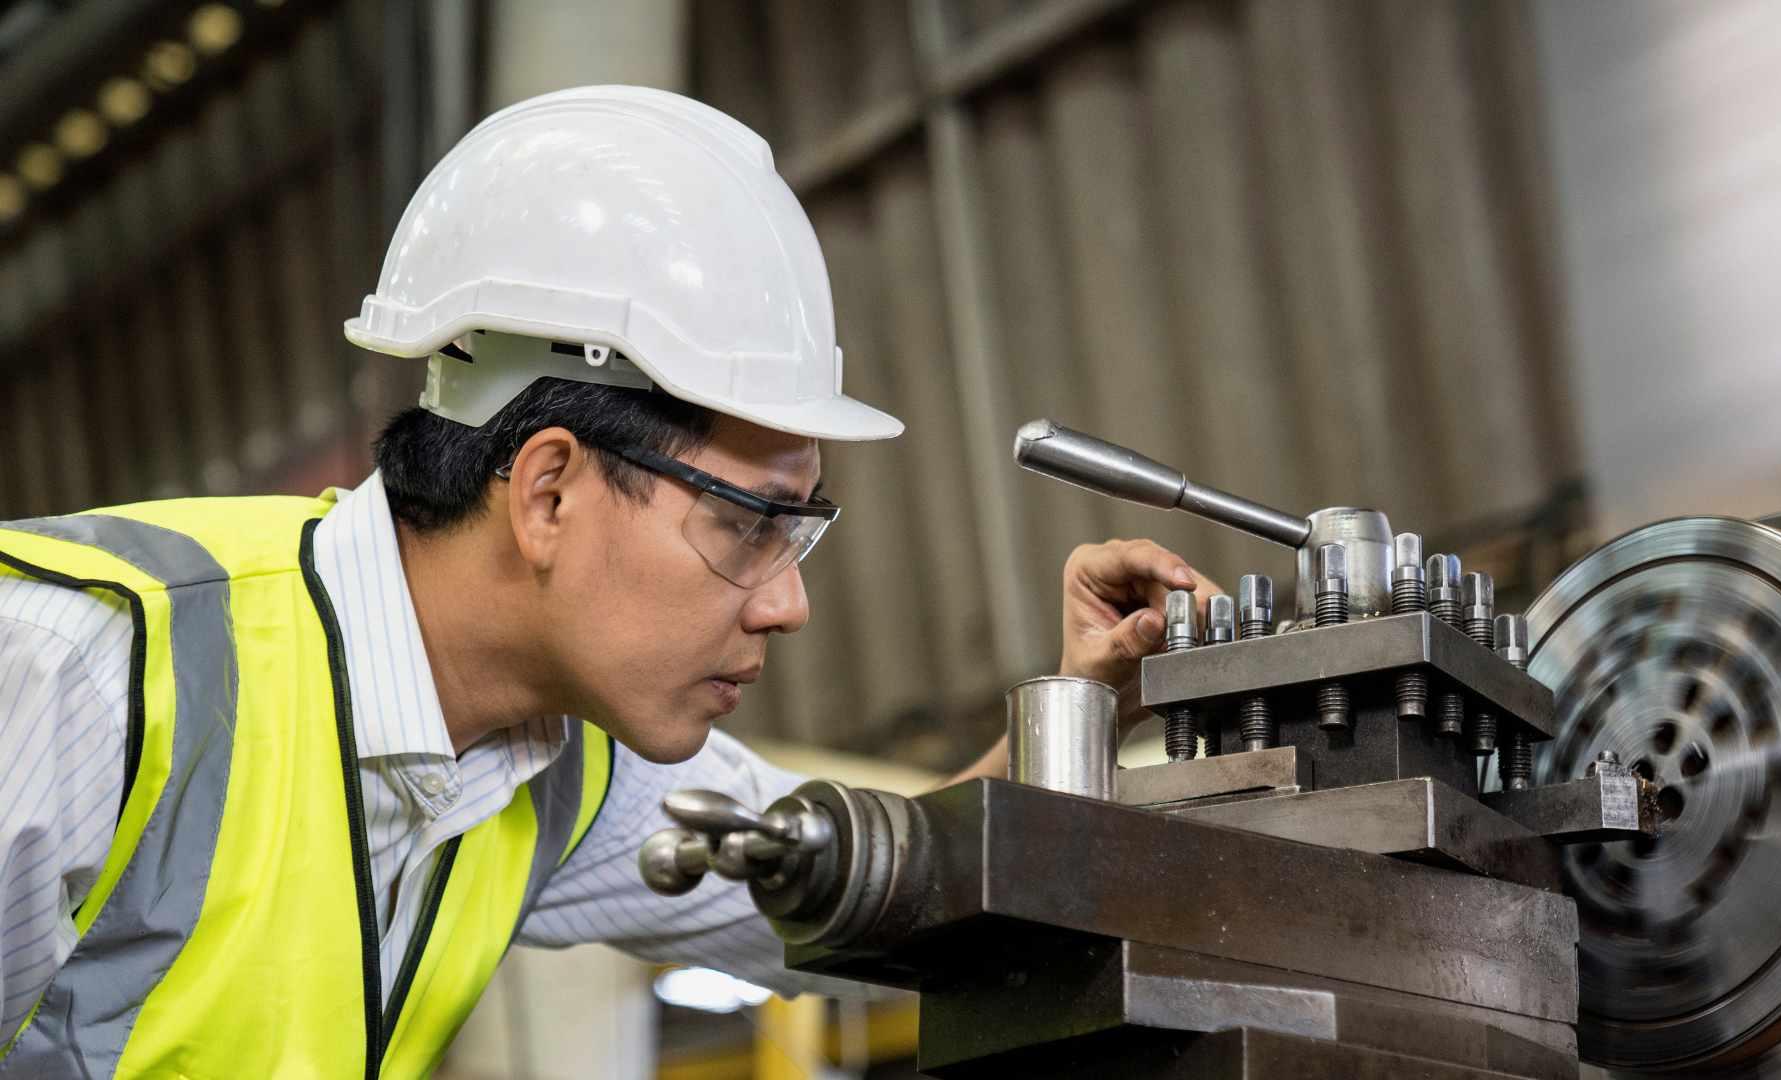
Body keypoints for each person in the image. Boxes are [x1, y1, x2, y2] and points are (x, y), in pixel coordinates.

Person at [0, 86, 1216, 1076]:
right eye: (750, 526)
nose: (787, 602)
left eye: (803, 533)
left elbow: (873, 901)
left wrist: (1085, 710)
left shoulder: (561, 772)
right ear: (547, 492)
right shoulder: (87, 673)